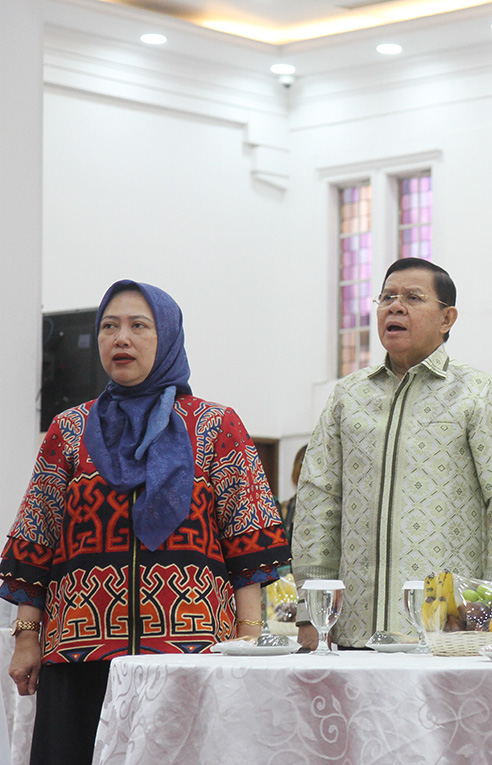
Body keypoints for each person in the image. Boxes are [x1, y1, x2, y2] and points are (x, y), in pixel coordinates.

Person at [0, 280, 289, 765]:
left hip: (192, 658)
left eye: (139, 326)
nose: (121, 339)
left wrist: (248, 633)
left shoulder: (217, 425)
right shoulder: (69, 428)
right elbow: (37, 540)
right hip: (80, 652)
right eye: (109, 327)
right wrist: (27, 637)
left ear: (168, 336)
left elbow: (249, 541)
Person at [293, 258, 492, 648]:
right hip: (354, 624)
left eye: (413, 298)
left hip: (446, 629)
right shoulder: (348, 395)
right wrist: (311, 610)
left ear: (447, 318)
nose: (395, 307)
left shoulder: (476, 391)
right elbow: (319, 500)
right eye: (387, 297)